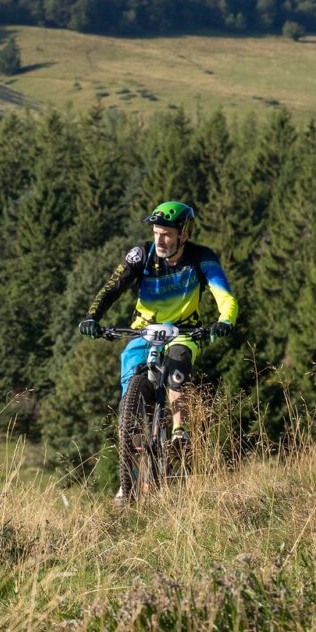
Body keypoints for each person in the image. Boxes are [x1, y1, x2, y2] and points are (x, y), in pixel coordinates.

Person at [77, 201, 238, 475]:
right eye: (156, 232)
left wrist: (224, 321)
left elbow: (225, 295)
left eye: (166, 234)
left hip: (183, 332)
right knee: (131, 373)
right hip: (144, 330)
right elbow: (111, 288)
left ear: (183, 235)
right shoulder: (140, 255)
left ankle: (179, 434)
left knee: (177, 367)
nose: (160, 239)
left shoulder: (202, 258)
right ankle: (130, 454)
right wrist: (93, 316)